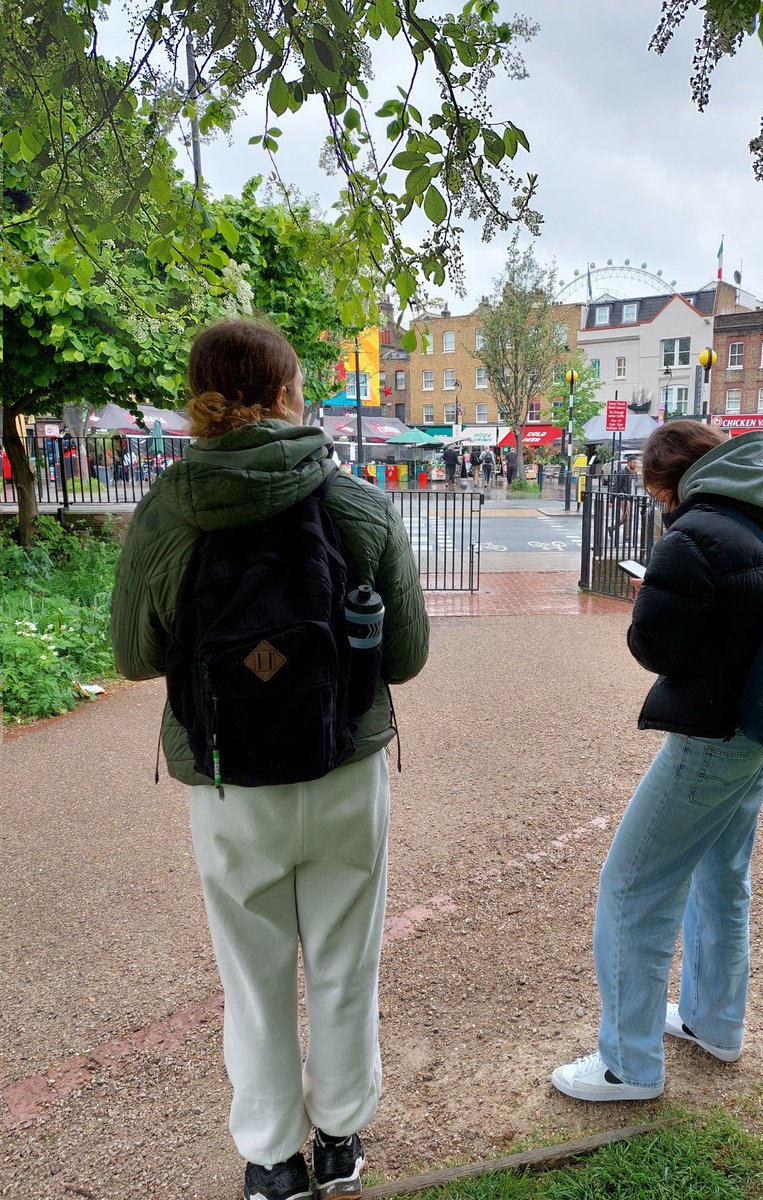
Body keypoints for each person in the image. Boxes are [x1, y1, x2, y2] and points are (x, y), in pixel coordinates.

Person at [110, 318, 429, 1200]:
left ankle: (271, 1160)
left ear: (200, 398)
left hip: (228, 779)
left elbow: (134, 655)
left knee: (251, 976)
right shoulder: (354, 501)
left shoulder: (169, 510)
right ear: (290, 393)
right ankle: (340, 1140)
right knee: (344, 960)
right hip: (343, 763)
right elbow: (405, 656)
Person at [552, 420, 763, 1104]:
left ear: (668, 484)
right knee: (722, 875)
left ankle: (628, 1065)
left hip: (711, 735)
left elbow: (654, 647)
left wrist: (652, 597)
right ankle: (714, 1022)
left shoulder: (692, 535)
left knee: (632, 885)